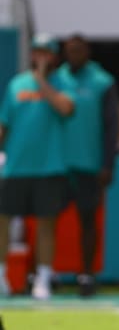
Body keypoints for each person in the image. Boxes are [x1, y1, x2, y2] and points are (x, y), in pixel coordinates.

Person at [0, 34, 75, 300]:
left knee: (46, 225)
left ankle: (42, 279)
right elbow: (4, 123)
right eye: (37, 52)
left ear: (54, 57)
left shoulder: (64, 83)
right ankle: (2, 278)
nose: (41, 57)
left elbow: (66, 109)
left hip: (48, 168)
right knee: (3, 222)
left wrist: (42, 81)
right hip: (16, 167)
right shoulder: (16, 84)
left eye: (47, 52)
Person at [57, 34, 119, 297]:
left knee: (88, 222)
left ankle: (87, 274)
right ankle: (44, 273)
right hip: (56, 163)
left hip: (89, 163)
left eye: (79, 50)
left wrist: (107, 163)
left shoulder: (102, 81)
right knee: (46, 221)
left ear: (87, 52)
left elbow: (111, 126)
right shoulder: (54, 79)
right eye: (70, 50)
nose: (74, 54)